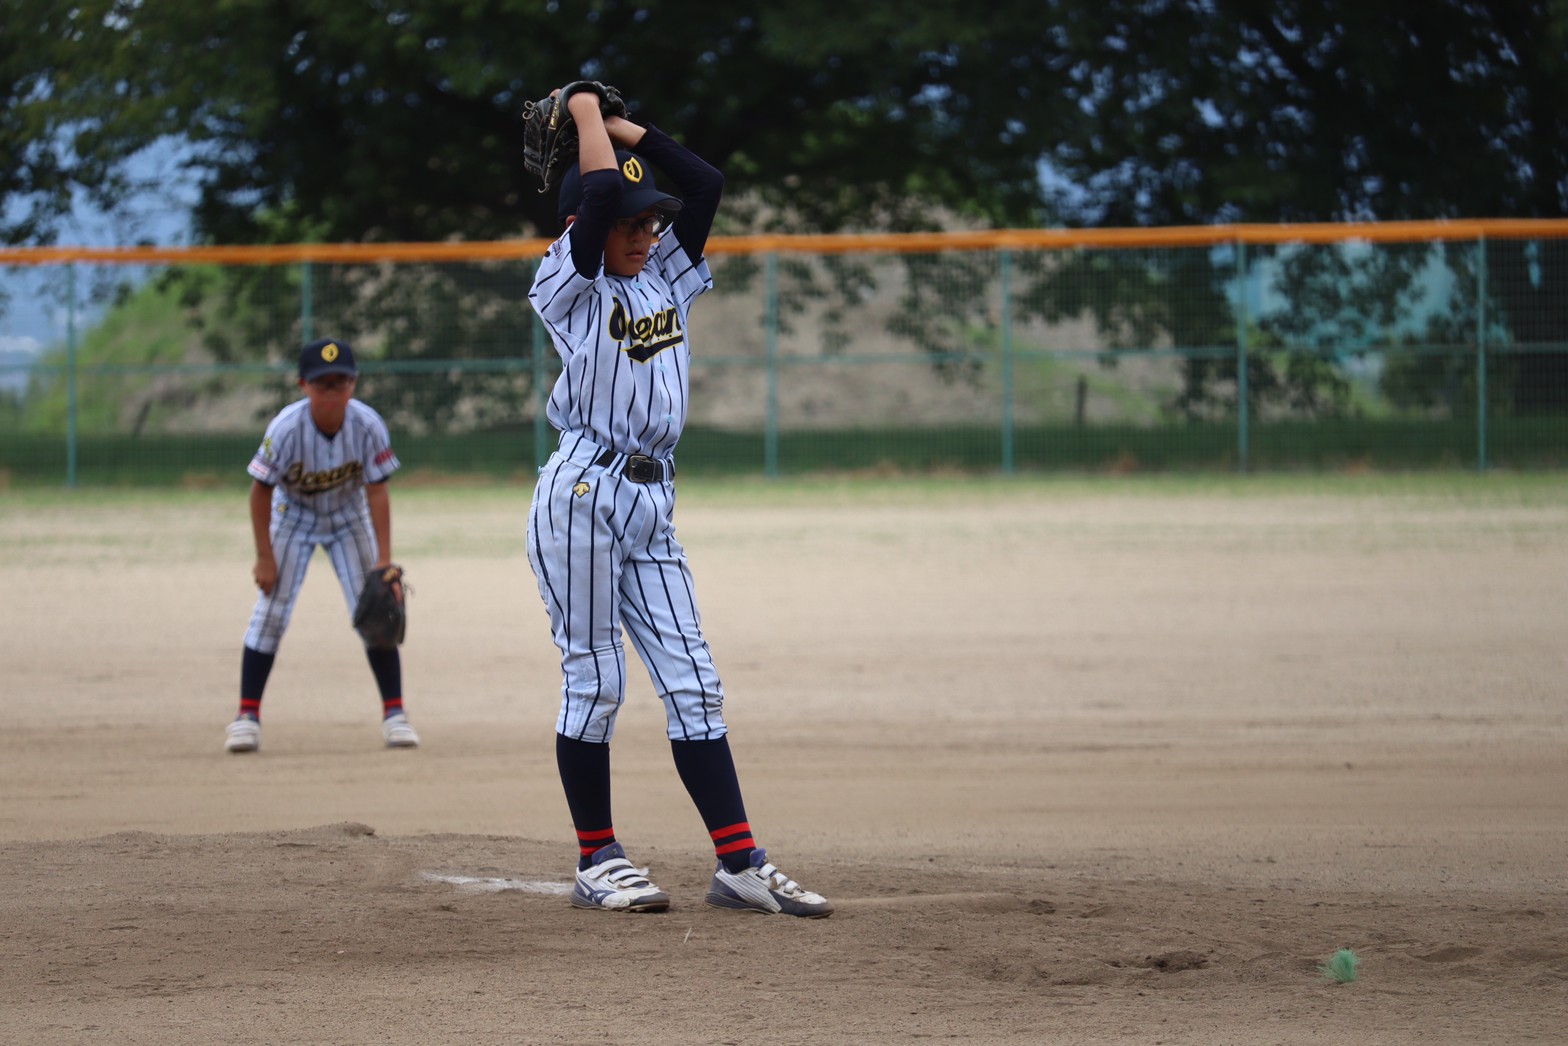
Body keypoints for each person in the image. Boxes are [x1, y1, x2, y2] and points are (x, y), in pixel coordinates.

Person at [525, 87, 832, 917]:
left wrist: (629, 131)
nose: (643, 231)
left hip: (653, 500)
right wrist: (586, 113)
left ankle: (738, 863)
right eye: (629, 222)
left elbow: (705, 184)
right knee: (595, 684)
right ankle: (598, 858)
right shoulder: (570, 283)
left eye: (647, 220)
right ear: (584, 230)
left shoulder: (662, 272)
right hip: (582, 494)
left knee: (695, 684)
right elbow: (593, 196)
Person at [223, 337, 420, 754]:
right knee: (271, 612)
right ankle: (247, 717)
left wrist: (384, 561)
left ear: (354, 383)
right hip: (293, 517)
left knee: (376, 610)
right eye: (322, 382)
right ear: (302, 385)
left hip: (349, 518)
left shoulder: (367, 425)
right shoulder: (286, 429)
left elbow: (378, 492)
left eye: (340, 381)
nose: (332, 390)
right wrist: (264, 556)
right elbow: (259, 492)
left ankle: (395, 714)